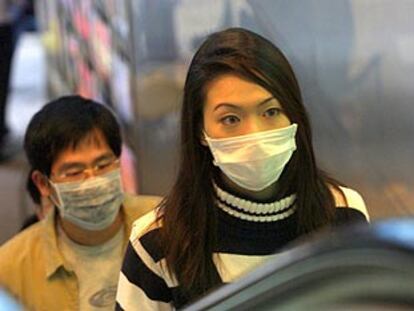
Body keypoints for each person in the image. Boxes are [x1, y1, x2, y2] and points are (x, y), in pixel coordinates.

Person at [115, 27, 370, 310]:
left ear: (294, 116)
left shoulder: (345, 212)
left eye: (270, 112)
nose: (255, 134)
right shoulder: (156, 243)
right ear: (200, 130)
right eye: (230, 119)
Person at [0, 95, 162, 310]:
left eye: (103, 165)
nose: (92, 181)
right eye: (74, 172)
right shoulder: (11, 269)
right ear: (43, 184)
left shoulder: (167, 223)